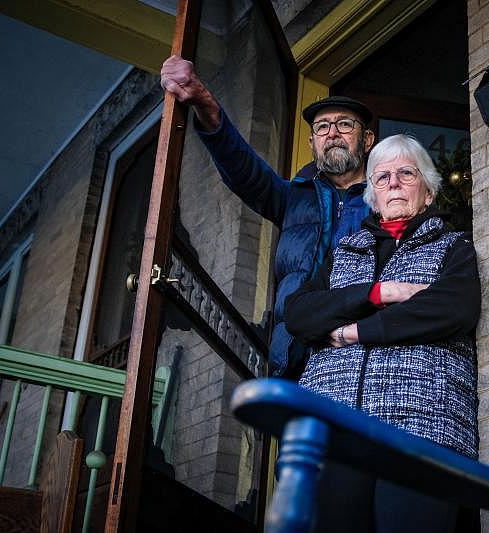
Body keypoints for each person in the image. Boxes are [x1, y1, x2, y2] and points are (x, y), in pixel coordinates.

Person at [285, 134, 481, 532]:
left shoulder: (454, 247)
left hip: (422, 424)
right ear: (372, 195)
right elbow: (300, 315)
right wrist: (382, 292)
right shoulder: (343, 254)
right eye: (382, 177)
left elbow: (452, 308)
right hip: (334, 428)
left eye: (406, 173)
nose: (393, 182)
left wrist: (353, 331)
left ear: (427, 192)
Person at [160, 56, 375, 377]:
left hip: (364, 353)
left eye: (345, 124)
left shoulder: (388, 198)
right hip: (297, 356)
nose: (332, 133)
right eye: (322, 127)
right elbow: (244, 170)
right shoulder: (292, 197)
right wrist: (205, 103)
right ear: (312, 143)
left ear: (367, 140)